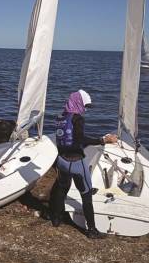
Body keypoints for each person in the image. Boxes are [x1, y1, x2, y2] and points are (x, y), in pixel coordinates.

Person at [49, 89, 117, 239]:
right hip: (76, 163)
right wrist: (102, 140)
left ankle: (56, 219)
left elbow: (65, 139)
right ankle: (91, 230)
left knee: (61, 189)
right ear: (78, 103)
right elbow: (80, 140)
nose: (85, 109)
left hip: (62, 161)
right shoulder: (78, 118)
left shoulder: (60, 117)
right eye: (85, 106)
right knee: (86, 195)